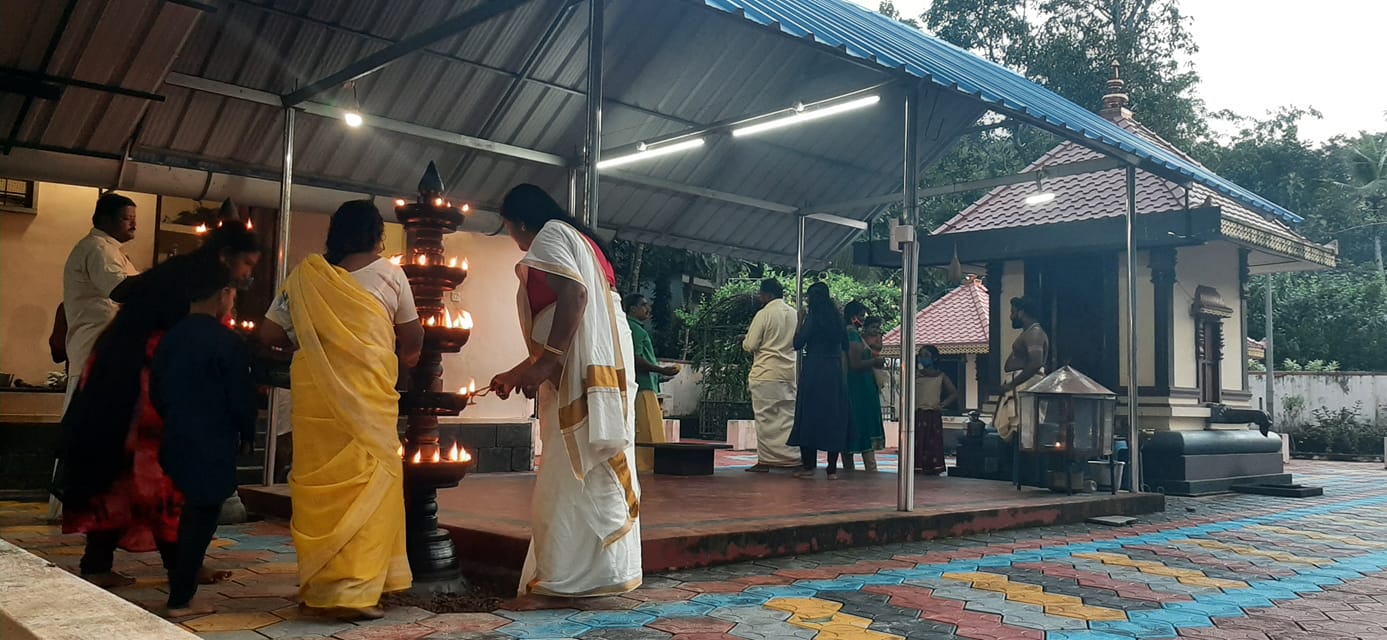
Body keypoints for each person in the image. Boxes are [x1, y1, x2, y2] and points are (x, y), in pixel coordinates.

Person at [60, 222, 261, 590]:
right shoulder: (195, 288)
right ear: (225, 258)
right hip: (144, 386)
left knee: (124, 476)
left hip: (122, 378)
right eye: (246, 264)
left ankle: (105, 563)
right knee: (160, 477)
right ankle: (179, 568)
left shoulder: (179, 275)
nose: (249, 274)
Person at [260, 200, 423, 620]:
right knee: (370, 485)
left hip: (317, 398)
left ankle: (323, 584)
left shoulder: (306, 277)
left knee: (323, 488)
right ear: (378, 235)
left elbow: (270, 332)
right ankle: (353, 593)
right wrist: (399, 362)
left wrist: (311, 346)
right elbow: (412, 337)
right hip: (368, 397)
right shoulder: (391, 274)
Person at [488, 184, 642, 598]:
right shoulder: (576, 240)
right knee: (574, 467)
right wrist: (521, 369)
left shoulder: (552, 234)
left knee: (572, 468)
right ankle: (583, 574)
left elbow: (575, 296)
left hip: (577, 368)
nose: (512, 238)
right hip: (584, 364)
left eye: (508, 227)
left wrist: (547, 363)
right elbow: (565, 322)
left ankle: (570, 578)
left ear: (519, 221)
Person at [152, 261, 257, 617]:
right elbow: (239, 396)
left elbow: (157, 390)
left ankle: (181, 589)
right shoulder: (226, 342)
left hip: (177, 434)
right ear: (223, 295)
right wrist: (246, 433)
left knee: (189, 515)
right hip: (212, 439)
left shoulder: (172, 337)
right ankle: (181, 598)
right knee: (201, 517)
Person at [61, 192, 139, 411]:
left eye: (134, 218)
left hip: (105, 351)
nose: (134, 224)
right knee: (88, 422)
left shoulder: (111, 250)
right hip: (96, 348)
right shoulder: (98, 248)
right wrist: (160, 275)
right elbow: (120, 290)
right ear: (105, 220)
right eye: (127, 218)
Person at [787, 282, 852, 480]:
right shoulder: (837, 319)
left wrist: (800, 321)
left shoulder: (813, 318)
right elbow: (846, 346)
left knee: (809, 415)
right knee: (833, 415)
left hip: (814, 368)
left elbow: (797, 343)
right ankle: (831, 468)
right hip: (833, 370)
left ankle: (808, 466)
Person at [740, 278, 800, 472]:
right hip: (790, 372)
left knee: (766, 420)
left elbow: (751, 345)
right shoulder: (794, 314)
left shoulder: (764, 314)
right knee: (787, 418)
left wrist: (744, 340)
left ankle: (766, 461)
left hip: (766, 372)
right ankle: (792, 458)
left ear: (768, 294)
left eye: (761, 294)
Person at [624, 294, 678, 473]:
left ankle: (648, 463)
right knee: (649, 430)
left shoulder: (634, 328)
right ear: (632, 309)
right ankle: (647, 465)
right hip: (643, 387)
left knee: (648, 427)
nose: (648, 309)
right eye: (643, 305)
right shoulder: (635, 330)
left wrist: (660, 376)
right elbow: (635, 359)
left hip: (647, 384)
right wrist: (661, 370)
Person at [995, 297, 1049, 441]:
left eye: (1013, 312)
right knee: (1017, 432)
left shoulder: (1035, 332)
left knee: (1025, 431)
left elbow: (1036, 363)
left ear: (1022, 313)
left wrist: (1012, 384)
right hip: (1020, 386)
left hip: (1026, 387)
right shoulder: (1028, 332)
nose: (1011, 316)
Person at [843, 310, 886, 471]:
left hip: (865, 385)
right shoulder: (853, 336)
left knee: (862, 422)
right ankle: (863, 468)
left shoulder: (857, 336)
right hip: (858, 386)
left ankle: (865, 467)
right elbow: (856, 364)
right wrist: (874, 361)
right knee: (859, 421)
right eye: (859, 315)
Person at [914, 345, 958, 475]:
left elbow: (954, 393)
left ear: (934, 358)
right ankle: (918, 466)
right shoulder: (915, 375)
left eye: (926, 356)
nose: (923, 358)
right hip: (918, 413)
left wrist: (942, 404)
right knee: (918, 442)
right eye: (921, 355)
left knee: (932, 442)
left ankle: (933, 467)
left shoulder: (940, 376)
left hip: (933, 413)